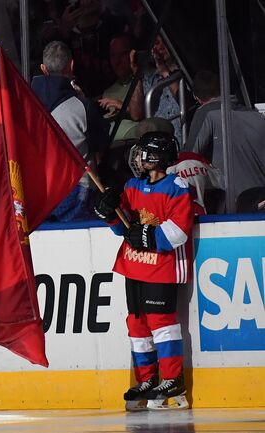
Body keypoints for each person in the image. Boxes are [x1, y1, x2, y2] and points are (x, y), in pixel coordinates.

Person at [94, 131, 194, 411]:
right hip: (132, 266)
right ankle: (147, 379)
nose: (137, 158)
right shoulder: (132, 185)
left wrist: (147, 236)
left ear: (157, 157)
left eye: (142, 153)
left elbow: (179, 230)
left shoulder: (177, 186)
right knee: (137, 326)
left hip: (161, 268)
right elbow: (121, 228)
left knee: (162, 325)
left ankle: (173, 379)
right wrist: (108, 211)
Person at [31, 40, 109, 220]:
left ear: (43, 68)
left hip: (37, 191)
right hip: (76, 191)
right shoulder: (81, 106)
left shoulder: (26, 105)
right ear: (72, 65)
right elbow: (101, 143)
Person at [185, 70, 265, 208]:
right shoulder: (257, 116)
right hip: (261, 201)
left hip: (234, 207)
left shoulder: (205, 113)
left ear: (196, 98)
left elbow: (187, 158)